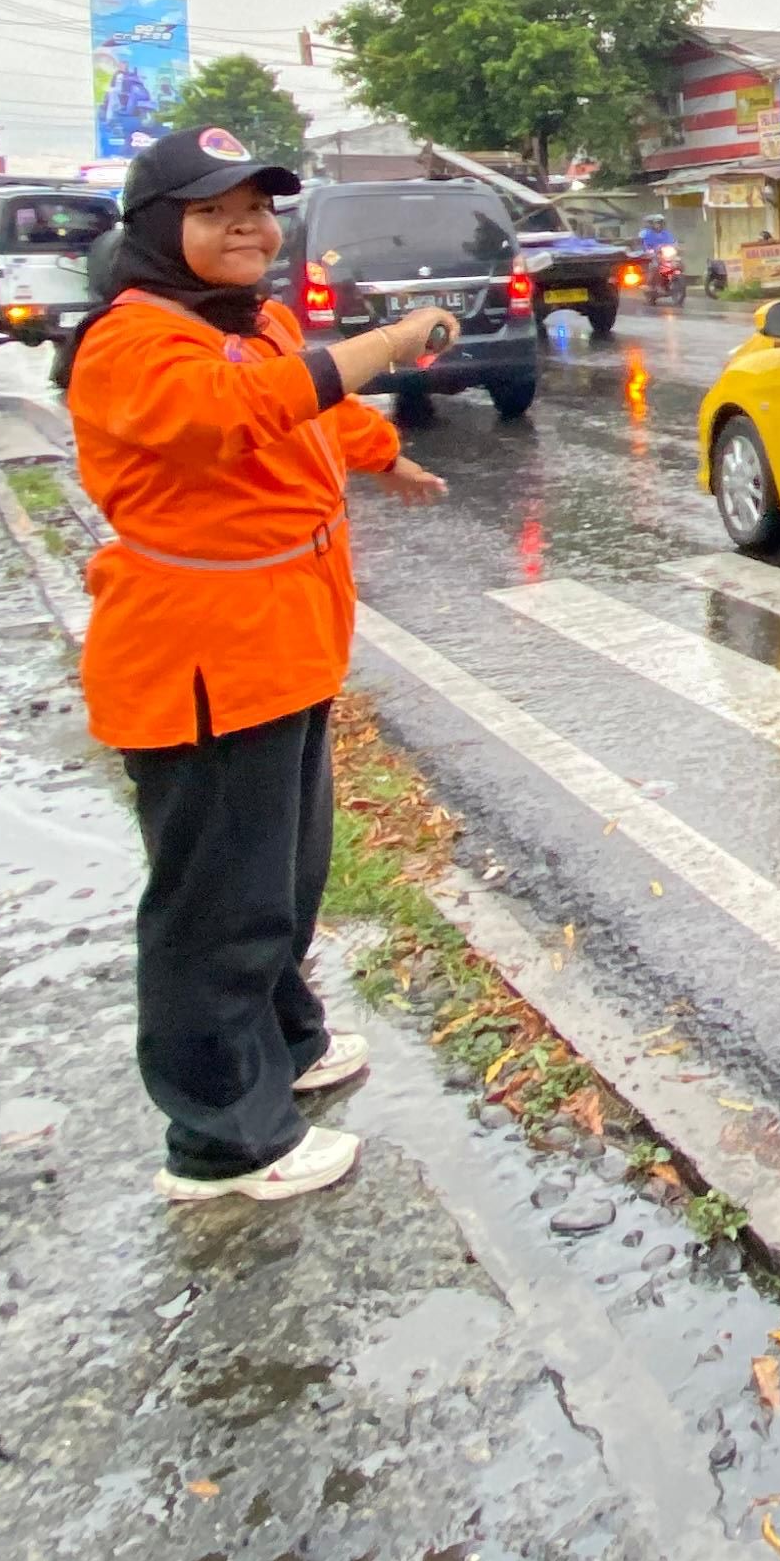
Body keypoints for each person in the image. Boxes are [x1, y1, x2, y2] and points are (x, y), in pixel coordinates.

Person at [70, 126, 458, 1205]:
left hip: (283, 641)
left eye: (257, 207)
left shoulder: (253, 321)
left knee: (284, 879)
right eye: (212, 211)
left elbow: (309, 414)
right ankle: (221, 1140)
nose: (246, 226)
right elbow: (239, 414)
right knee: (213, 907)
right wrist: (389, 343)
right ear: (159, 228)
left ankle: (284, 1046)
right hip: (200, 655)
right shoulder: (132, 343)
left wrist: (388, 458)